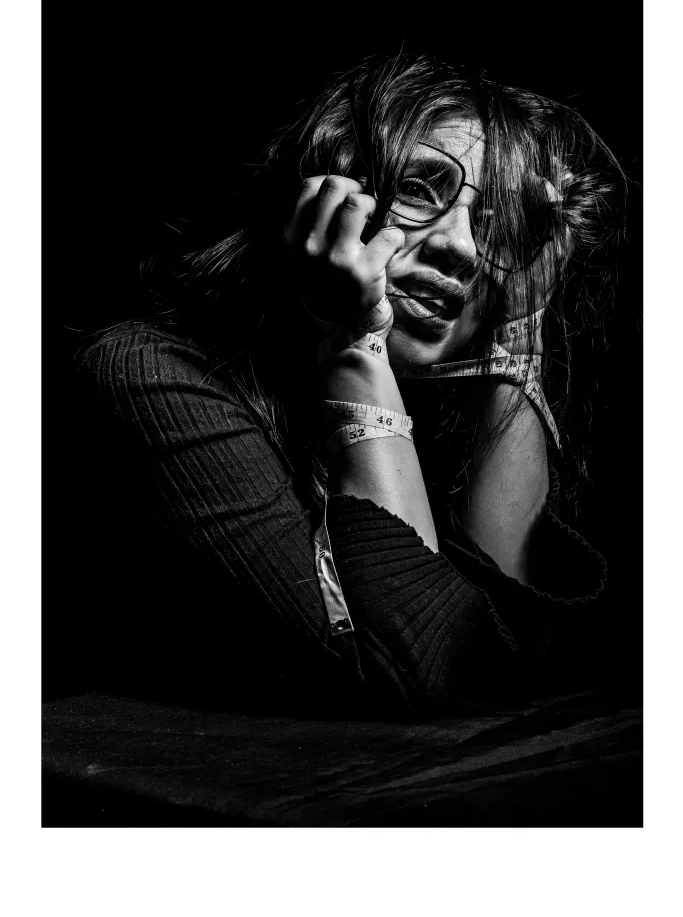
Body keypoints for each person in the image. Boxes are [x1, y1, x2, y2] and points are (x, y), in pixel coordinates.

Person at [76, 54, 627, 716]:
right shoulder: (149, 374)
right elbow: (427, 672)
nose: (460, 248)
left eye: (495, 226)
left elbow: (511, 661)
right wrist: (353, 340)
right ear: (317, 202)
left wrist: (517, 343)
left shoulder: (439, 405)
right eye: (418, 188)